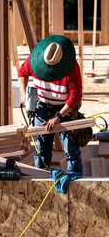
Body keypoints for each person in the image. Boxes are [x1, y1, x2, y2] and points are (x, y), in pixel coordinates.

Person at [18, 35, 83, 176]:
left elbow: (76, 96)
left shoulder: (71, 67)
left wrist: (58, 116)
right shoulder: (34, 60)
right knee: (41, 149)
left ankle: (75, 179)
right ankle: (42, 179)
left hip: (65, 108)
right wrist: (23, 94)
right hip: (41, 105)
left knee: (70, 147)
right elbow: (22, 73)